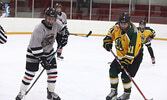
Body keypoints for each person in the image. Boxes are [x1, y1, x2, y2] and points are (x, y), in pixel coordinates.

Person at [15, 7, 68, 100]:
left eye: (52, 19)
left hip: (49, 52)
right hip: (33, 53)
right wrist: (42, 60)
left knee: (53, 73)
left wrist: (64, 38)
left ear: (55, 19)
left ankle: (51, 92)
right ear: (45, 17)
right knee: (30, 74)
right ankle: (21, 92)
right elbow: (34, 47)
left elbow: (64, 30)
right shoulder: (39, 29)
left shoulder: (57, 24)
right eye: (48, 18)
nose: (50, 21)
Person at [103, 12, 143, 100]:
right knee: (113, 70)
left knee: (125, 75)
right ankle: (114, 91)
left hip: (134, 57)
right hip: (121, 55)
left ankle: (126, 94)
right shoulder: (116, 27)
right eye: (121, 23)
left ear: (129, 23)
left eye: (125, 23)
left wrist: (126, 62)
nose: (122, 25)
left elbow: (132, 51)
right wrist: (107, 41)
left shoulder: (134, 33)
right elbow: (109, 34)